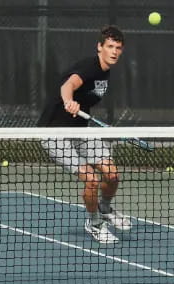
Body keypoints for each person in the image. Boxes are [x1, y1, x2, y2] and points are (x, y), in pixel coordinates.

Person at [37, 25, 130, 244]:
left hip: (80, 129)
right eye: (110, 46)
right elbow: (69, 84)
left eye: (118, 47)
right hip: (55, 134)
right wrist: (68, 100)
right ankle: (95, 224)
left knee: (113, 175)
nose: (114, 51)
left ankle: (105, 208)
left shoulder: (105, 71)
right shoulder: (90, 66)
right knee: (91, 179)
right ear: (100, 47)